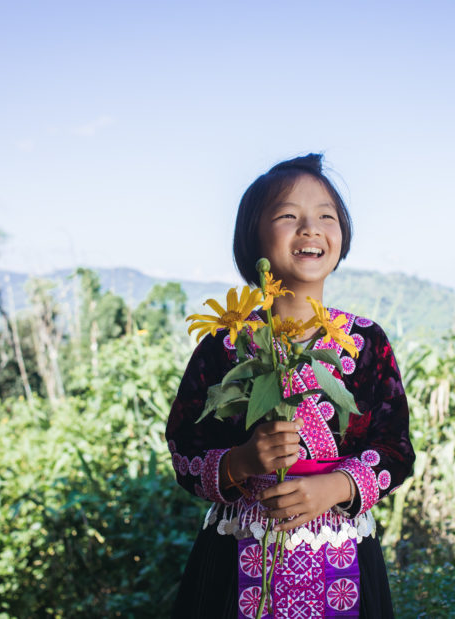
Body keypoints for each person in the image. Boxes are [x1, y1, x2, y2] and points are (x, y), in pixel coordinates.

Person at [166, 153, 414, 618]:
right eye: (287, 215)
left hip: (342, 556)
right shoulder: (226, 343)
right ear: (252, 237)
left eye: (326, 215)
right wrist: (241, 461)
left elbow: (396, 448)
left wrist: (336, 487)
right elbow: (184, 446)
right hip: (238, 552)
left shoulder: (366, 342)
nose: (311, 228)